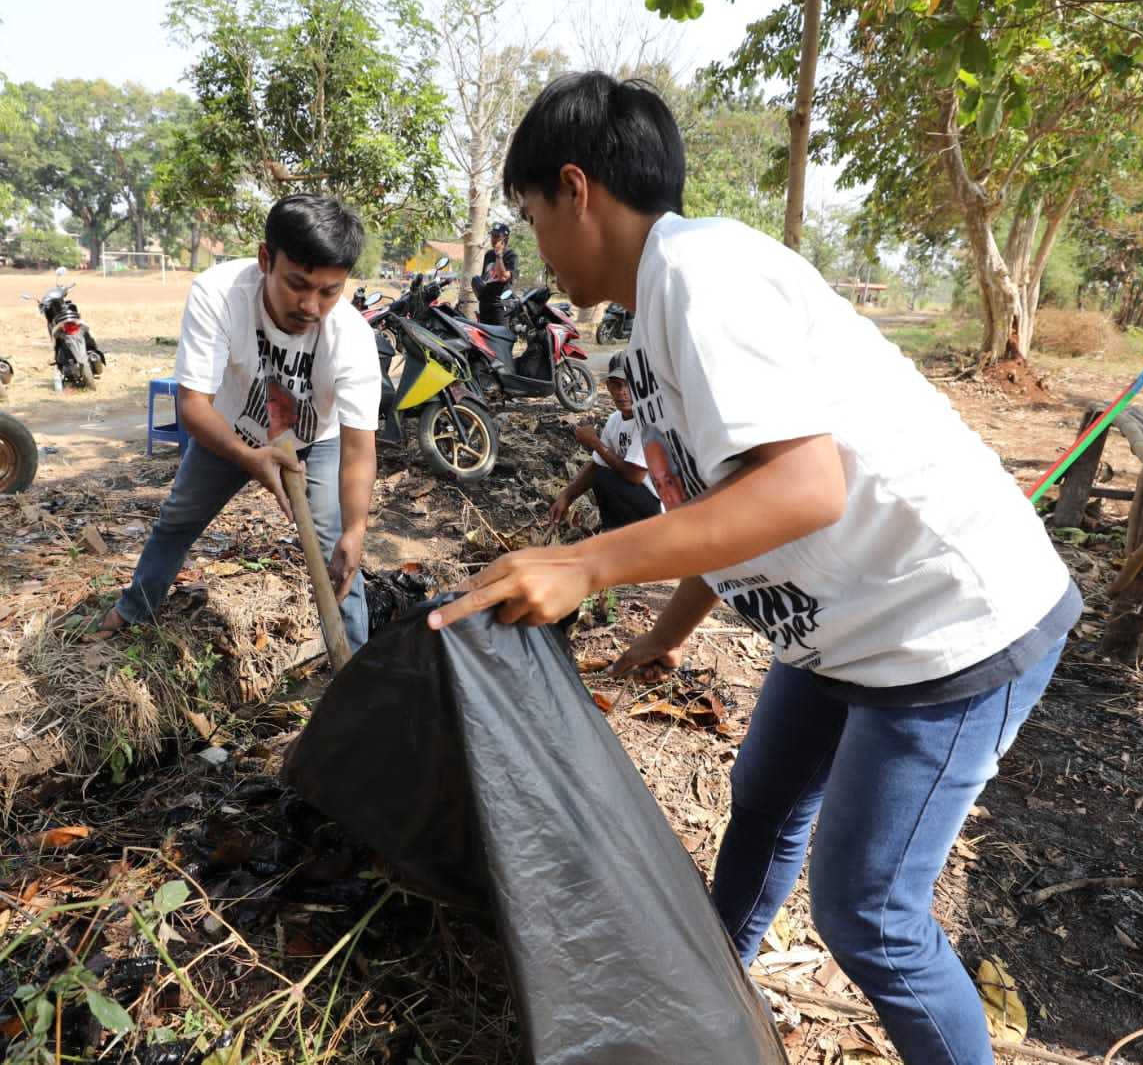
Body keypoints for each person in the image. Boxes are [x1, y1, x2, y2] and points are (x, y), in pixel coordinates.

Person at [429, 73, 1079, 1065]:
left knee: (870, 916)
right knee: (765, 800)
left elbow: (802, 489)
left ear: (575, 187)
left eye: (528, 216)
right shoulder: (647, 320)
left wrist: (590, 565)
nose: (533, 247)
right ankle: (710, 1012)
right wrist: (663, 634)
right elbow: (721, 508)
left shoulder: (702, 272)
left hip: (946, 625)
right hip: (841, 628)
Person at [90, 195, 377, 650]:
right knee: (177, 520)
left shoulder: (354, 337)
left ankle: (356, 663)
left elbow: (360, 447)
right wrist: (246, 456)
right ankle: (134, 607)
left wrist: (355, 529)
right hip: (231, 431)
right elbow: (193, 404)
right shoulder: (219, 293)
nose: (311, 306)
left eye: (329, 290)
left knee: (336, 559)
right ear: (266, 259)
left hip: (316, 441)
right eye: (297, 284)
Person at [549, 351, 661, 533]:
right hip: (637, 498)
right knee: (600, 474)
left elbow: (635, 475)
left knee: (604, 478)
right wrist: (566, 497)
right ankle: (616, 532)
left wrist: (596, 444)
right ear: (608, 387)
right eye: (616, 385)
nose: (622, 392)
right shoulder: (615, 420)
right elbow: (595, 465)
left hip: (658, 507)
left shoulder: (648, 419)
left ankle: (618, 534)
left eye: (629, 385)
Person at [471, 222, 517, 325]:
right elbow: (486, 278)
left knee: (501, 338)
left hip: (500, 306)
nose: (493, 239)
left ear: (505, 239)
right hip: (485, 305)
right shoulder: (488, 254)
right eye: (492, 235)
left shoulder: (511, 255)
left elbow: (503, 277)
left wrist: (499, 255)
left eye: (497, 236)